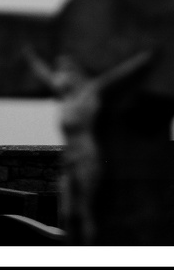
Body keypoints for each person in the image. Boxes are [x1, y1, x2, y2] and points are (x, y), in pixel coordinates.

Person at [22, 46, 154, 244]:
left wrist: (143, 58)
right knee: (67, 210)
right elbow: (45, 75)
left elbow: (118, 75)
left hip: (86, 156)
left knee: (85, 210)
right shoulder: (65, 94)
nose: (61, 74)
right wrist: (29, 56)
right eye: (60, 69)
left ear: (76, 72)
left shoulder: (90, 90)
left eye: (66, 69)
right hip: (69, 157)